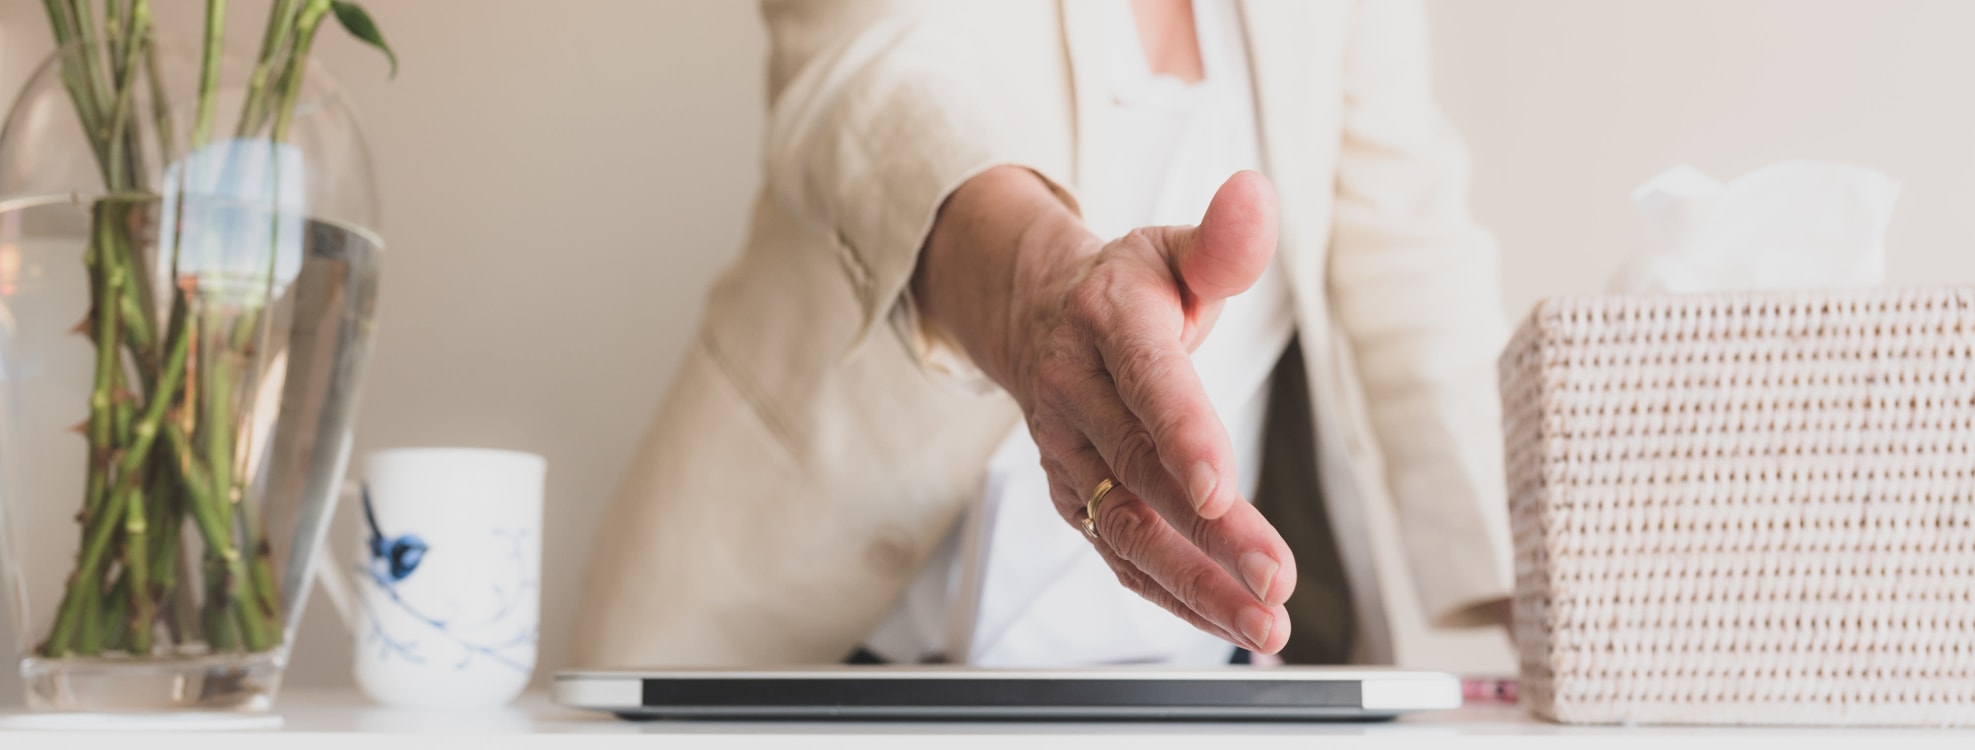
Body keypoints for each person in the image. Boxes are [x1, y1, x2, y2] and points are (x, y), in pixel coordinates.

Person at [573, 0, 1513, 669]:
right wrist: (1039, 293)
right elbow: (869, 85)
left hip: (1188, 678)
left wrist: (1547, 598)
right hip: (821, 655)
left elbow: (1408, 241)